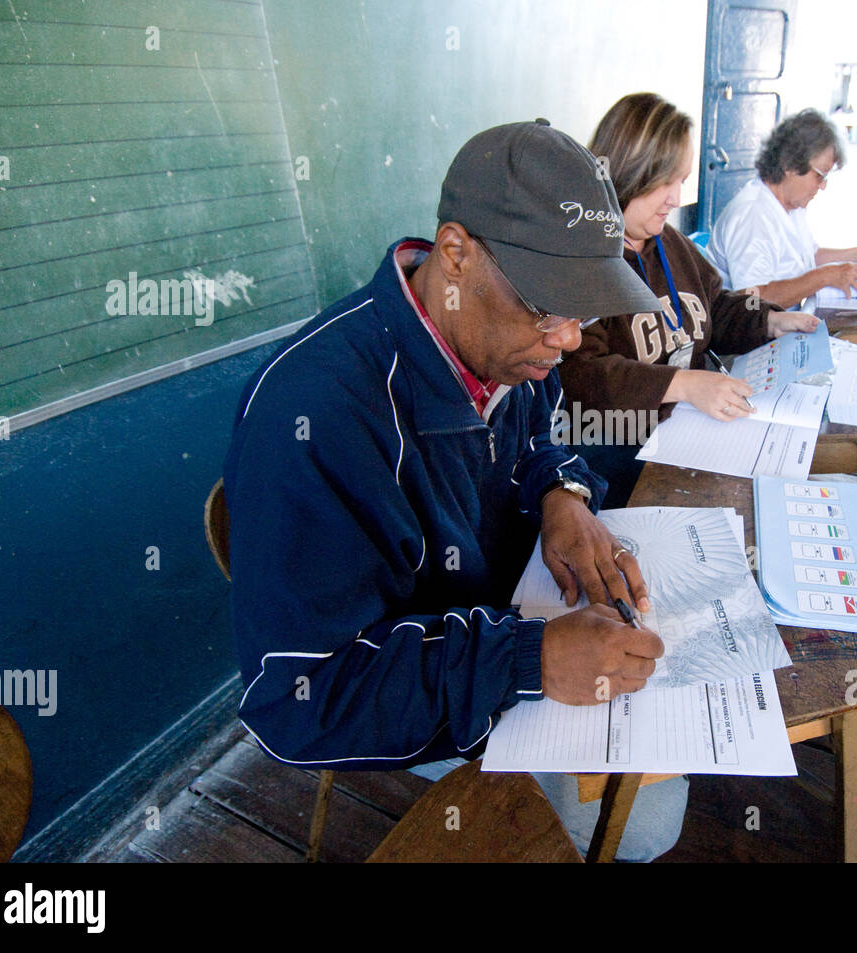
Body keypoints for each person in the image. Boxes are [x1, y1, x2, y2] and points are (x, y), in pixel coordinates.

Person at [223, 119, 686, 861]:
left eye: (584, 311)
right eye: (548, 306)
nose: (568, 338)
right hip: (434, 677)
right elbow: (300, 702)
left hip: (503, 619)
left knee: (655, 777)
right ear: (456, 254)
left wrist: (562, 496)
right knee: (646, 815)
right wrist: (525, 661)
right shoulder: (314, 416)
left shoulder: (510, 346)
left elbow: (542, 434)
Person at [558, 93, 820, 507]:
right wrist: (684, 385)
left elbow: (715, 305)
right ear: (626, 174)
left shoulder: (670, 243)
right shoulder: (580, 261)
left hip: (686, 435)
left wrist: (769, 321)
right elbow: (579, 377)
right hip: (615, 456)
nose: (677, 199)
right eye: (666, 182)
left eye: (681, 181)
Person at [708, 108, 857, 311]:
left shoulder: (791, 205)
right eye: (820, 176)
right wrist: (825, 276)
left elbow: (807, 258)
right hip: (749, 337)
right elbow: (753, 302)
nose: (822, 186)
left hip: (780, 325)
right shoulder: (753, 215)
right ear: (790, 165)